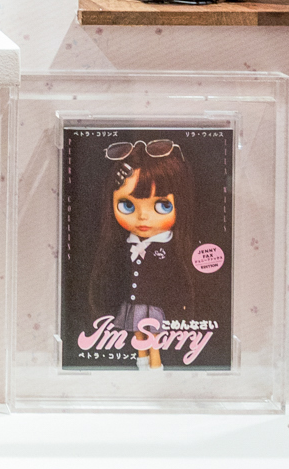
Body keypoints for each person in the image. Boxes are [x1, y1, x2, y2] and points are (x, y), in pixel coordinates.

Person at [84, 139, 222, 369]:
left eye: (162, 206)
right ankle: (142, 360)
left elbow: (177, 281)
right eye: (127, 205)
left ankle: (155, 363)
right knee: (138, 332)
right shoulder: (123, 246)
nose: (143, 217)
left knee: (153, 334)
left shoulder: (169, 248)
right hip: (134, 302)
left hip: (157, 304)